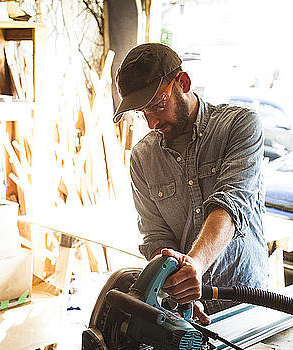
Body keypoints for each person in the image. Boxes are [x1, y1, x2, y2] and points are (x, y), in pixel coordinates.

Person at [113, 43, 269, 323]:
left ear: (182, 82)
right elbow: (155, 236)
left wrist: (195, 264)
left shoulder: (239, 126)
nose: (151, 122)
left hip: (245, 301)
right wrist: (176, 288)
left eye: (157, 105)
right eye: (142, 112)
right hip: (187, 312)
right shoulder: (142, 157)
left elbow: (231, 205)